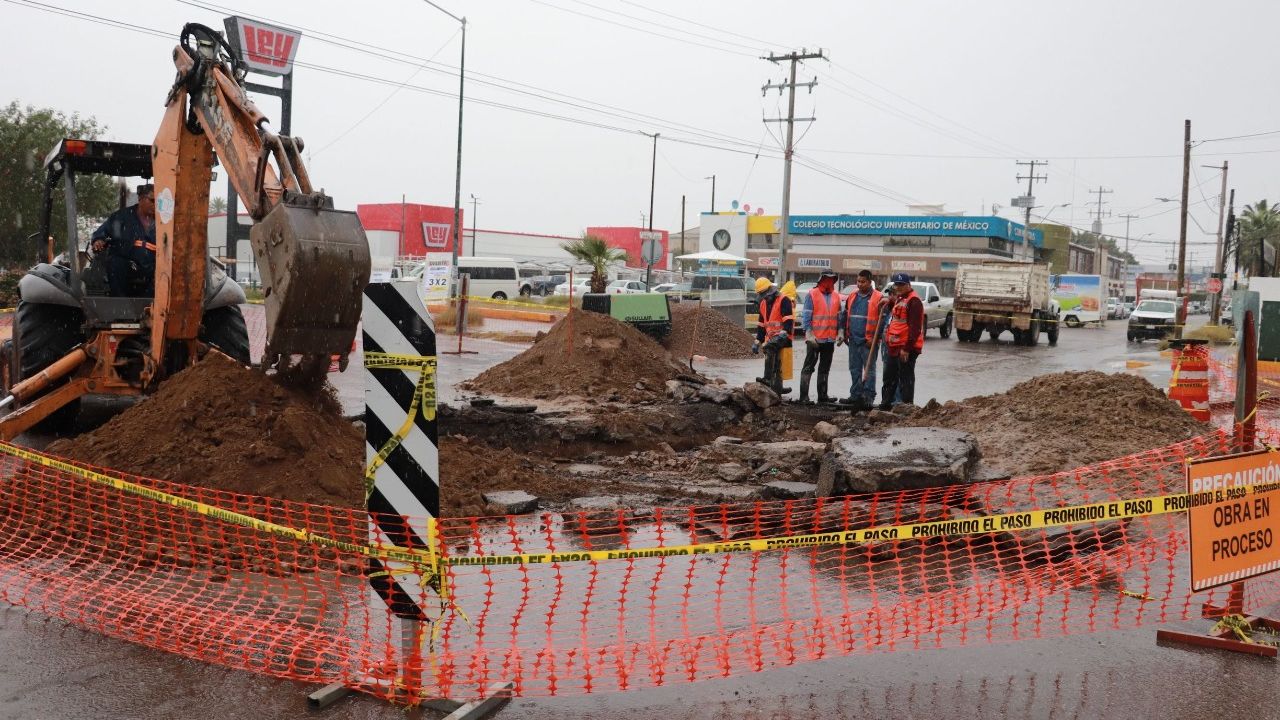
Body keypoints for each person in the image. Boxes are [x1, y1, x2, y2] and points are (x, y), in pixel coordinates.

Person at [91, 184, 156, 297]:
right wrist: (99, 240)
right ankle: (121, 303)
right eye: (152, 200)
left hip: (151, 270)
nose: (156, 204)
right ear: (140, 198)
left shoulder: (164, 222)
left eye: (160, 201)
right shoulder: (122, 217)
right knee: (115, 262)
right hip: (126, 268)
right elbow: (102, 231)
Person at [838, 269, 883, 410]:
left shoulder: (878, 297)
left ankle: (868, 397)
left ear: (870, 282)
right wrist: (844, 333)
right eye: (858, 281)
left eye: (863, 282)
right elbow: (846, 315)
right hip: (854, 339)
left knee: (869, 369)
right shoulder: (852, 296)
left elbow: (882, 321)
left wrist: (875, 339)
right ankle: (855, 395)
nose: (860, 284)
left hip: (868, 341)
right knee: (854, 369)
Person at [879, 272, 924, 410]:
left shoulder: (914, 301)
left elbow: (915, 328)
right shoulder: (900, 299)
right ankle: (886, 405)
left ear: (908, 285)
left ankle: (906, 407)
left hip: (906, 347)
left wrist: (906, 348)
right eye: (896, 284)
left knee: (906, 378)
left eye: (901, 285)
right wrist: (890, 302)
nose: (898, 287)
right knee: (889, 377)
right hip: (894, 346)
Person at [799, 270, 841, 403]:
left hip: (829, 339)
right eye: (826, 279)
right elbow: (806, 315)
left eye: (831, 279)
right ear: (821, 279)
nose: (829, 281)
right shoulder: (812, 294)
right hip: (815, 339)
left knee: (825, 368)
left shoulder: (836, 296)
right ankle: (803, 396)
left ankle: (823, 396)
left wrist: (840, 331)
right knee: (808, 367)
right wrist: (808, 333)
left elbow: (839, 316)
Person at [751, 277, 793, 396]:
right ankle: (777, 388)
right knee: (776, 362)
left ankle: (767, 379)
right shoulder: (763, 304)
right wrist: (757, 341)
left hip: (784, 335)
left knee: (769, 348)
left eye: (764, 293)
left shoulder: (783, 300)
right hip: (771, 338)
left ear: (770, 290)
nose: (764, 296)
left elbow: (788, 321)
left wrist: (784, 332)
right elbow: (761, 326)